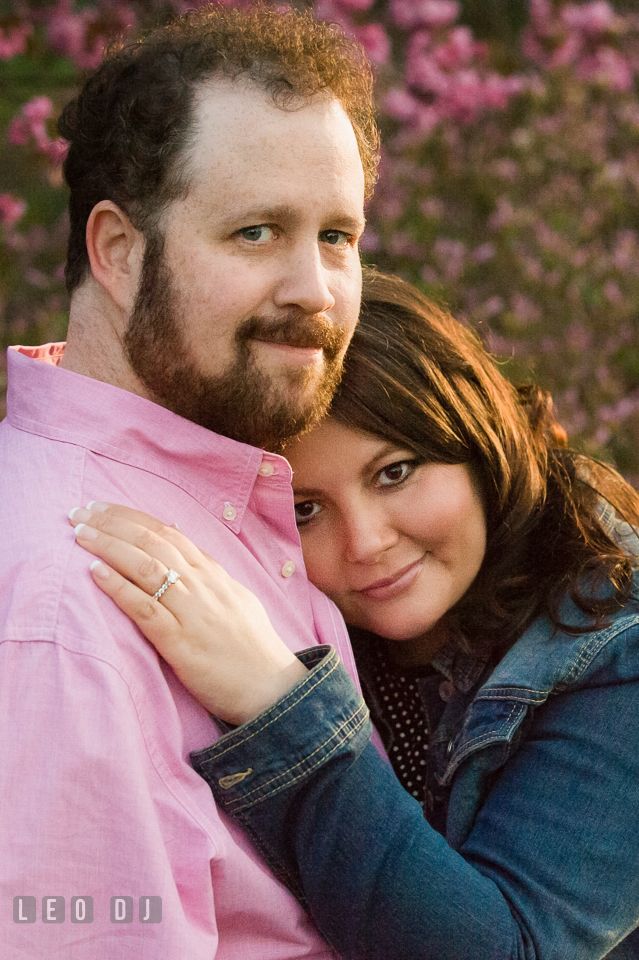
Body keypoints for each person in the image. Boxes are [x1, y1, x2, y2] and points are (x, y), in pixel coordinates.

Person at [71, 271, 639, 959]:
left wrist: (276, 704)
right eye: (304, 509)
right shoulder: (283, 604)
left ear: (479, 445)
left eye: (394, 472)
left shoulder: (615, 645)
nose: (366, 544)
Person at [0, 6, 377, 957]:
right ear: (118, 253)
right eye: (256, 232)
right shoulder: (62, 598)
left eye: (337, 235)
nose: (315, 289)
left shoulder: (230, 496)